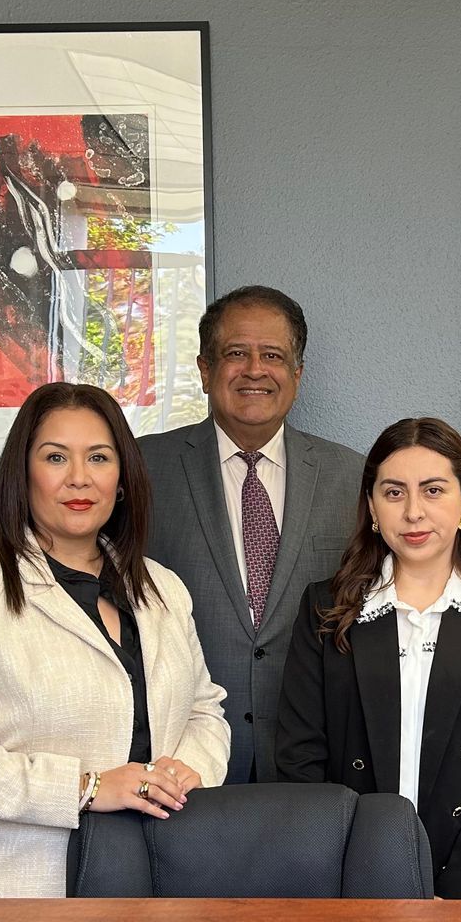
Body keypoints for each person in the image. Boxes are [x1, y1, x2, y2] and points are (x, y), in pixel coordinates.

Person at [0, 382, 231, 897]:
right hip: (7, 894)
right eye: (56, 457)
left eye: (98, 457)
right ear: (23, 474)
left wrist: (189, 769)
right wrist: (87, 787)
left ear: (121, 479)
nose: (80, 478)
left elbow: (205, 710)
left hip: (152, 878)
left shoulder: (164, 588)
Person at [274, 418, 461, 899]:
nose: (413, 513)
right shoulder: (325, 609)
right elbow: (300, 757)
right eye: (393, 492)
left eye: (433, 490)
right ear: (371, 505)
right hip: (352, 875)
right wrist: (346, 871)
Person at [138, 286, 363, 783]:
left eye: (273, 356)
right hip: (180, 758)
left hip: (314, 755)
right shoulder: (139, 471)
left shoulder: (353, 478)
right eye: (236, 353)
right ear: (204, 370)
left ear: (297, 376)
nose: (255, 369)